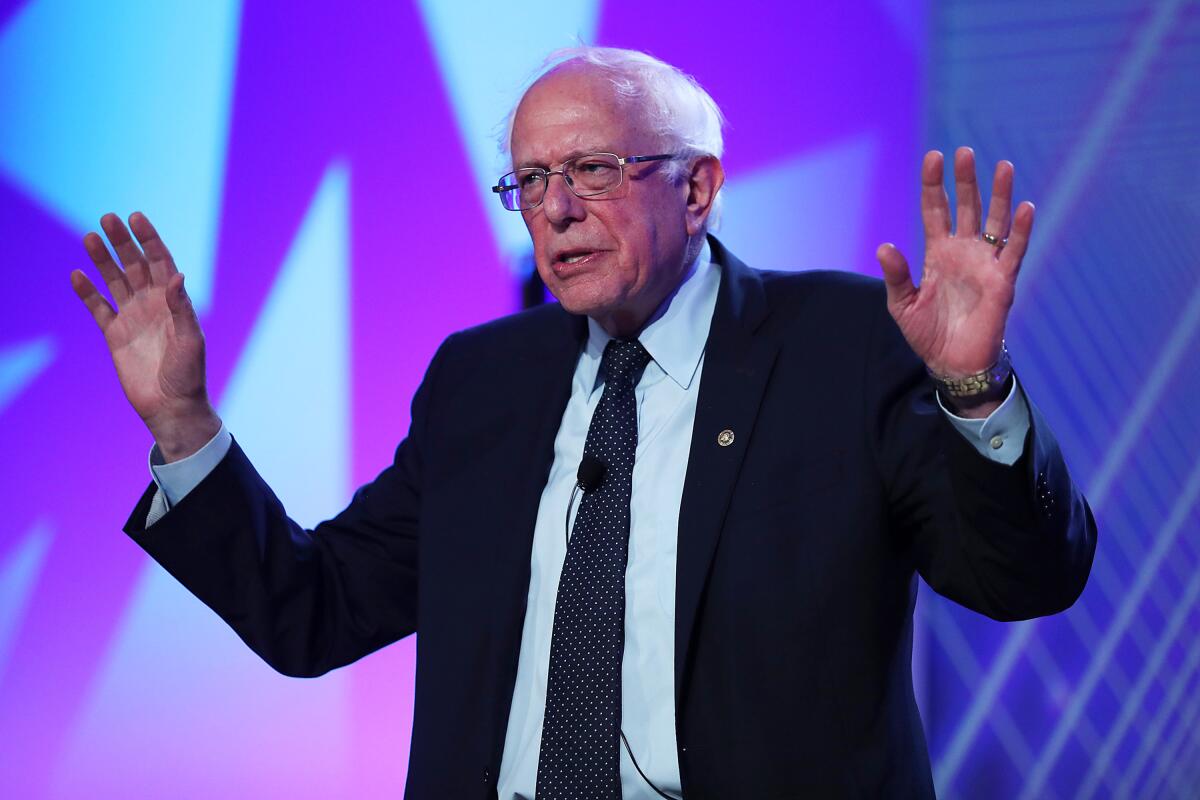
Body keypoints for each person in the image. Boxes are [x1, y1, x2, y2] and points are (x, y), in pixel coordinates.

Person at [71, 47, 1096, 800]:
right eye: (531, 181)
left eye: (593, 171)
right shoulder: (482, 380)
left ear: (697, 186)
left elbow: (1023, 579)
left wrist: (974, 389)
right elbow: (317, 609)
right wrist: (184, 423)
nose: (554, 208)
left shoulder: (841, 343)